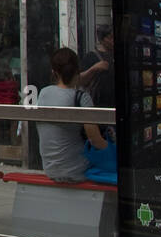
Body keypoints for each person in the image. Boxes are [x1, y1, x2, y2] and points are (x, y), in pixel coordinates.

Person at [37, 48, 108, 183]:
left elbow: (66, 86)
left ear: (53, 72)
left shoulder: (43, 93)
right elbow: (96, 141)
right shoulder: (82, 98)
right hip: (76, 170)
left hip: (50, 169)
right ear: (77, 71)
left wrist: (92, 70)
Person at [79, 25, 116, 109]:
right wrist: (94, 68)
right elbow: (80, 80)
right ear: (102, 39)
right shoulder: (92, 56)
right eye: (110, 38)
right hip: (99, 103)